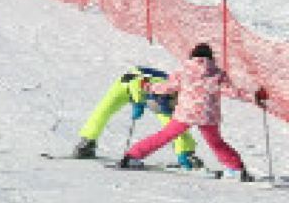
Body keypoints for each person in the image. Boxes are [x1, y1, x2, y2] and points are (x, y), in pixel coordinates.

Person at [120, 44, 253, 178]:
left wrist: (149, 86)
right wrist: (254, 96)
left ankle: (133, 156)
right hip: (207, 115)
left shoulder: (184, 72)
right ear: (211, 57)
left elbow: (167, 87)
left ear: (192, 56)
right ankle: (235, 168)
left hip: (186, 114)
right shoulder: (218, 75)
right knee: (216, 142)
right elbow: (233, 92)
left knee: (164, 135)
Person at [73, 64, 201, 167]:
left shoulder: (179, 97)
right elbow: (137, 82)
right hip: (126, 86)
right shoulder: (158, 87)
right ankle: (87, 141)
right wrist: (138, 102)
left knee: (172, 124)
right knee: (103, 109)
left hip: (156, 96)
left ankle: (186, 152)